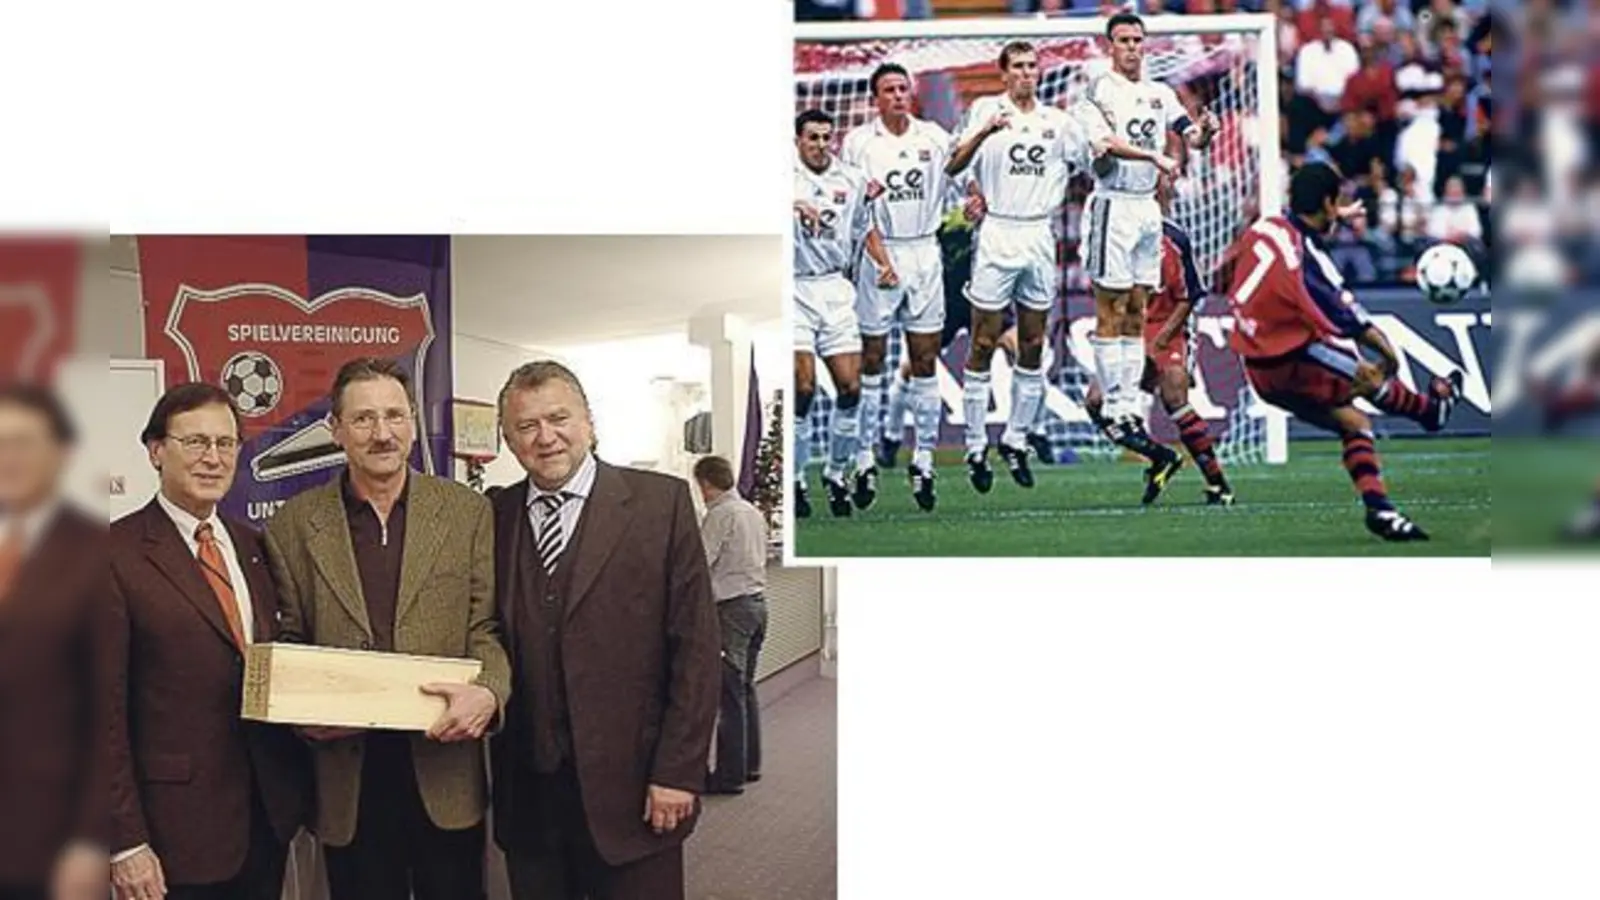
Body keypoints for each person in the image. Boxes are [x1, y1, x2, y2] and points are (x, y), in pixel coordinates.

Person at [264, 357, 511, 900]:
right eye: (363, 419)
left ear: (415, 424)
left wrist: (489, 693)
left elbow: (486, 627)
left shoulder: (467, 512)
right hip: (347, 777)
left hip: (444, 768)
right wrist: (304, 713)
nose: (382, 434)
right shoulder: (294, 525)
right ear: (336, 430)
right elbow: (291, 641)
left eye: (395, 416)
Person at [488, 360, 719, 900]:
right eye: (526, 426)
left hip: (638, 791)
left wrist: (679, 771)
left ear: (589, 421)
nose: (546, 437)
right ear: (508, 439)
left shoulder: (660, 505)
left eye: (558, 417)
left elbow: (696, 648)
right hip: (532, 800)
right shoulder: (492, 516)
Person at [104, 383, 310, 900]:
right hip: (173, 834)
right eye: (195, 442)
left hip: (264, 820)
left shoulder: (253, 545)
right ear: (155, 451)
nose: (212, 458)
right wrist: (125, 843)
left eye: (226, 443)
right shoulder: (112, 554)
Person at [1224, 163, 1463, 541]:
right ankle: (1430, 412)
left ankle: (1381, 512)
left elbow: (1225, 268)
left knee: (1354, 424)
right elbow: (1347, 314)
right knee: (1370, 374)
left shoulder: (1265, 228)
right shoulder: (1307, 257)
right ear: (1325, 201)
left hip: (1257, 369)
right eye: (1337, 202)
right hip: (1294, 358)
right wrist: (1390, 356)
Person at [945, 40, 1087, 493]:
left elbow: (1093, 159)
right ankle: (973, 447)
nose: (1027, 74)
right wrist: (985, 133)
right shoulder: (986, 109)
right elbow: (955, 166)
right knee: (983, 341)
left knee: (1032, 343)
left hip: (1038, 236)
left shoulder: (1058, 123)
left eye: (1032, 67)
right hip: (997, 233)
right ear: (1003, 73)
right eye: (1019, 67)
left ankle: (1016, 438)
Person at [1075, 12, 1216, 440]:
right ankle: (1115, 403)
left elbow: (1188, 134)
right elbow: (1107, 144)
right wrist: (1154, 157)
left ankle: (1130, 407)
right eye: (1123, 40)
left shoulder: (1161, 93)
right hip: (1113, 205)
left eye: (1138, 39)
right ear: (1109, 46)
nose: (1132, 47)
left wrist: (1205, 132)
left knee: (1137, 307)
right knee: (1110, 307)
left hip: (1146, 210)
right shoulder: (1100, 90)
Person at [0, 385, 107, 900]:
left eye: (23, 442)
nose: (8, 458)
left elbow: (108, 707)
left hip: (46, 841)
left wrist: (89, 840)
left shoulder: (95, 553)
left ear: (61, 453)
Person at [840, 62, 955, 512]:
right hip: (880, 253)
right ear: (876, 98)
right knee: (873, 360)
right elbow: (852, 206)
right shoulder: (859, 144)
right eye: (889, 90)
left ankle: (923, 459)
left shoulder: (934, 137)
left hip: (925, 252)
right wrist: (876, 257)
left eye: (903, 88)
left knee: (925, 358)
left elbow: (962, 178)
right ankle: (865, 457)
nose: (898, 95)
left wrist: (975, 196)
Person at [1084, 177, 1235, 506]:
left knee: (1174, 395)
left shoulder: (1175, 239)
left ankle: (1218, 484)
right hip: (1131, 329)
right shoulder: (1113, 233)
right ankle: (1158, 456)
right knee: (1096, 401)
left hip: (1169, 325)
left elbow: (1190, 296)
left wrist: (1160, 343)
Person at [794, 108, 899, 518]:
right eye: (812, 138)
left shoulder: (851, 179)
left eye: (826, 137)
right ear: (798, 141)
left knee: (850, 387)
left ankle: (836, 474)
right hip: (794, 287)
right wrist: (795, 203)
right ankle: (798, 479)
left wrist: (884, 263)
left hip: (836, 288)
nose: (821, 145)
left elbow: (863, 229)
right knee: (802, 388)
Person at [691, 455, 769, 796]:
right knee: (745, 690)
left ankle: (728, 776)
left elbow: (698, 562)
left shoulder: (720, 515)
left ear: (706, 483)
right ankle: (750, 765)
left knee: (728, 696)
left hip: (730, 611)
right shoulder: (752, 512)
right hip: (757, 606)